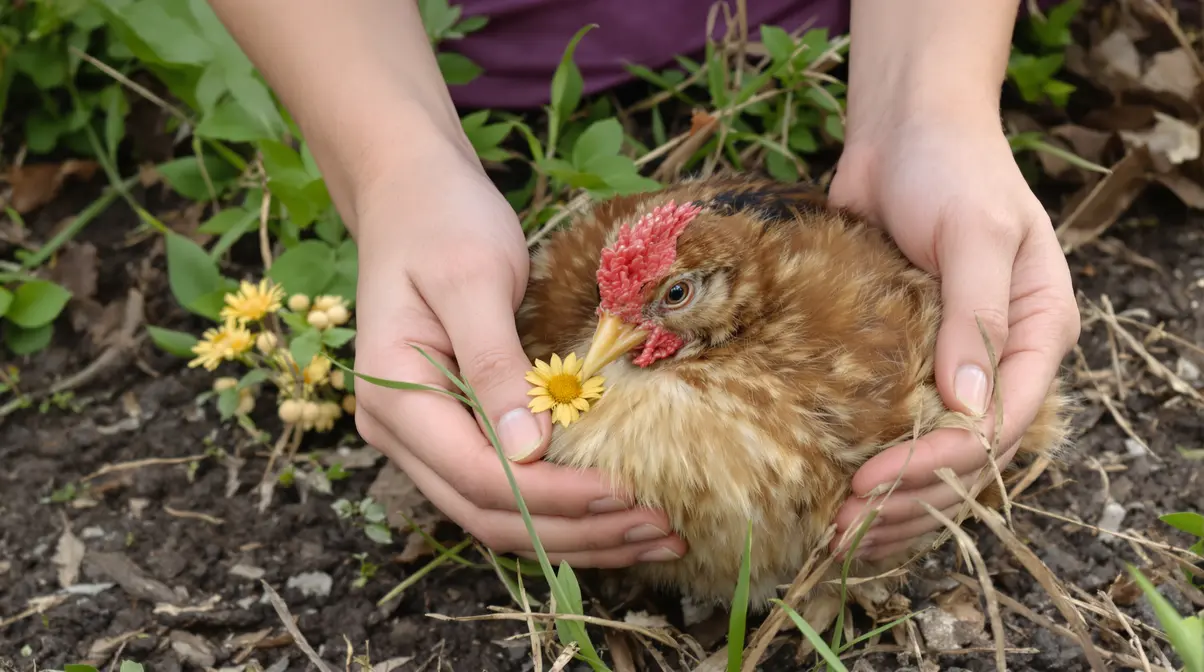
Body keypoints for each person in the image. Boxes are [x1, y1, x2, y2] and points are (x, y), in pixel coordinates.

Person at [207, 0, 1080, 567]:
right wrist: (395, 166)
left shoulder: (853, 341)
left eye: (669, 301)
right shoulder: (579, 334)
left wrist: (930, 106)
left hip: (834, 39)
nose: (607, 335)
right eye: (610, 311)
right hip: (457, 81)